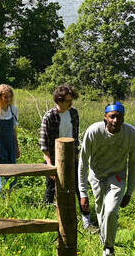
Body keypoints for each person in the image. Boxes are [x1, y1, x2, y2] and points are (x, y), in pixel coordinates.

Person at [79, 101, 135, 256]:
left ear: (123, 118)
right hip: (97, 176)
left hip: (117, 177)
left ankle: (109, 250)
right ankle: (104, 240)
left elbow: (134, 163)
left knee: (111, 211)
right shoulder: (93, 132)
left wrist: (129, 192)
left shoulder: (132, 134)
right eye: (112, 117)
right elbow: (83, 162)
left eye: (119, 117)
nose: (115, 120)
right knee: (100, 212)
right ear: (105, 117)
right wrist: (83, 193)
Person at [39, 84, 94, 228]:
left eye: (71, 100)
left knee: (78, 186)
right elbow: (44, 143)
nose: (71, 103)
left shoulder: (74, 113)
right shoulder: (49, 116)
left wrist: (76, 155)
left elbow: (75, 135)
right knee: (51, 188)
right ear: (59, 100)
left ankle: (86, 221)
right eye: (68, 100)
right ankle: (47, 220)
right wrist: (50, 165)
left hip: (71, 156)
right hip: (53, 158)